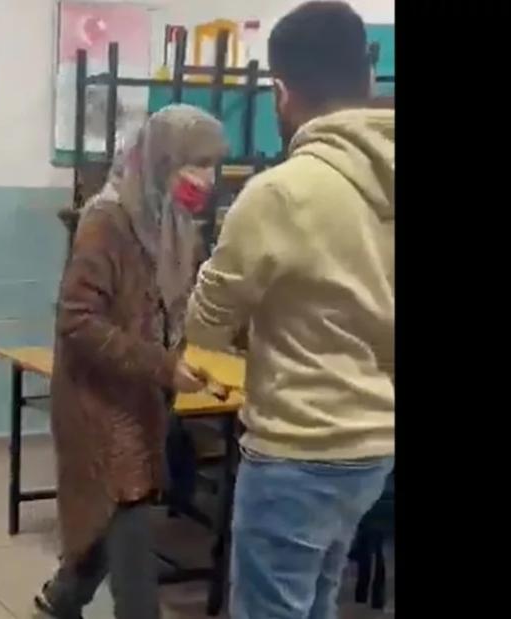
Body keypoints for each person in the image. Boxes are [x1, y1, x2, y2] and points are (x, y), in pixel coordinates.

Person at [183, 3, 394, 618]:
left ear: (280, 92)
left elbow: (205, 323)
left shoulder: (280, 192)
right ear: (368, 77)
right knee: (317, 596)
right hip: (374, 446)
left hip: (297, 447)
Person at [34, 104, 228, 619]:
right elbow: (77, 321)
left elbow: (176, 307)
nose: (207, 178)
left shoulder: (176, 223)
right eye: (196, 162)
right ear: (162, 160)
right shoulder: (107, 220)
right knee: (131, 530)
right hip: (97, 404)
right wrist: (163, 365)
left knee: (109, 520)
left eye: (213, 164)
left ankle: (59, 600)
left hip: (144, 400)